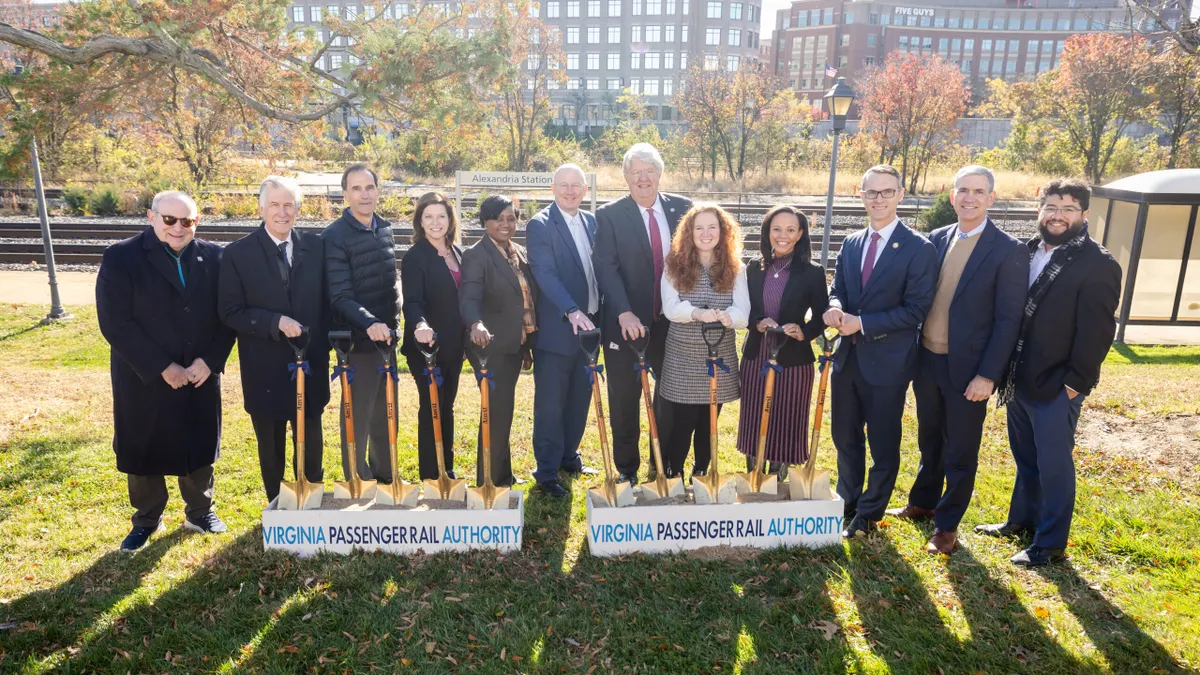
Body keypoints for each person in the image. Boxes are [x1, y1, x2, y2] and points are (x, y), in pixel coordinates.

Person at [885, 166, 1028, 555]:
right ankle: (923, 502)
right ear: (952, 196)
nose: (970, 197)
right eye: (963, 190)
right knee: (929, 437)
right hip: (928, 359)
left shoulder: (1009, 250)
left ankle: (947, 526)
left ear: (991, 198)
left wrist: (988, 375)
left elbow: (1008, 320)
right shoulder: (937, 238)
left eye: (978, 191)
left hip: (969, 369)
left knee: (961, 449)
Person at [977, 178, 1121, 567]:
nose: (1058, 216)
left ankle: (1050, 542)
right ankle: (1021, 521)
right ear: (1040, 210)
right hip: (1021, 378)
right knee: (1026, 458)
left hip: (1059, 384)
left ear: (1084, 214)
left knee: (1054, 464)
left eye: (1069, 209)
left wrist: (1076, 385)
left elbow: (1098, 332)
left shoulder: (1098, 264)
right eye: (1052, 207)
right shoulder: (1027, 252)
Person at [96, 190, 235, 552]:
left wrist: (211, 360)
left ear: (196, 222)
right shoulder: (121, 257)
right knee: (143, 444)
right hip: (143, 373)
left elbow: (228, 317)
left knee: (198, 441)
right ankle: (146, 519)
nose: (178, 227)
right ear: (151, 217)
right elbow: (115, 323)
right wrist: (161, 366)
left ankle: (200, 511)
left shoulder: (216, 258)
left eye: (186, 221)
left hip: (199, 371)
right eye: (169, 219)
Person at [824, 164, 938, 539]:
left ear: (900, 195)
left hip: (887, 362)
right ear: (861, 195)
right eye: (871, 192)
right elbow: (837, 287)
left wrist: (864, 323)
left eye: (887, 192)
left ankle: (870, 512)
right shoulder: (852, 242)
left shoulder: (919, 247)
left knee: (883, 440)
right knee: (845, 435)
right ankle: (848, 499)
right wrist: (836, 307)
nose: (879, 199)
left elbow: (916, 309)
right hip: (847, 358)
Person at [218, 176, 328, 502]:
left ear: (298, 208)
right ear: (261, 207)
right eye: (275, 205)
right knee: (272, 443)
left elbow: (329, 300)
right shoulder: (238, 254)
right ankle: (278, 506)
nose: (282, 212)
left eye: (288, 205)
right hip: (263, 366)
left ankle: (311, 502)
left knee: (310, 440)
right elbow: (230, 311)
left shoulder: (316, 246)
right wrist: (274, 322)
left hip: (310, 363)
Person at [592, 143, 693, 484]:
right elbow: (605, 268)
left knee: (671, 397)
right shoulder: (609, 215)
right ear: (625, 177)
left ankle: (662, 464)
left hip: (671, 325)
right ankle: (627, 469)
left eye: (649, 171)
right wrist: (623, 313)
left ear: (660, 174)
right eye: (636, 173)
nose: (643, 179)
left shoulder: (683, 210)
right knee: (624, 399)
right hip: (626, 325)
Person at [658, 204, 750, 477]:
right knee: (682, 421)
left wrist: (726, 316)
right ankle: (674, 472)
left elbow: (743, 314)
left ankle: (701, 472)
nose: (706, 233)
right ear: (689, 232)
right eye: (699, 228)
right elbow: (670, 308)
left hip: (718, 355)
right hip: (683, 356)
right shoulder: (674, 264)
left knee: (709, 421)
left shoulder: (736, 268)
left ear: (723, 232)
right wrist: (697, 312)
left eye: (712, 227)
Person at [526, 164, 601, 498]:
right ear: (553, 188)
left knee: (578, 399)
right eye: (564, 185)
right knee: (551, 404)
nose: (570, 191)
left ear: (585, 190)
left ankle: (569, 456)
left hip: (591, 331)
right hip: (559, 330)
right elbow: (545, 273)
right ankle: (545, 471)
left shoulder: (592, 222)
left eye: (576, 186)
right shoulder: (540, 225)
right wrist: (571, 310)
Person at [323, 164, 400, 484]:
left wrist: (394, 318)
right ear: (345, 195)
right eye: (356, 189)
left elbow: (388, 280)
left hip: (386, 339)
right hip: (357, 341)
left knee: (386, 413)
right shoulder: (335, 236)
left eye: (369, 187)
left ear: (377, 190)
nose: (364, 194)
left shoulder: (384, 228)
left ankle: (385, 475)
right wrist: (370, 324)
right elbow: (340, 295)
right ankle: (358, 479)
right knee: (359, 415)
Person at [735, 206, 828, 473]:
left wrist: (804, 332)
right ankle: (754, 472)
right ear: (767, 232)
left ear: (800, 234)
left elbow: (822, 315)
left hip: (793, 358)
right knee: (754, 416)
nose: (782, 235)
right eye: (776, 229)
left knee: (785, 417)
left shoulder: (812, 272)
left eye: (790, 230)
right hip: (757, 356)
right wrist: (757, 322)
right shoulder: (753, 268)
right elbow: (745, 308)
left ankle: (778, 474)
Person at [460, 195, 537, 487]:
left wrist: (526, 345)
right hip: (490, 347)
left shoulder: (517, 251)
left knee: (504, 411)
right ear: (485, 222)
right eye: (498, 218)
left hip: (515, 345)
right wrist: (475, 323)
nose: (506, 224)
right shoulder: (476, 255)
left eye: (511, 218)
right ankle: (488, 481)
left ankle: (502, 474)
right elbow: (469, 297)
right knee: (494, 412)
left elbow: (526, 300)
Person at [400, 192, 466, 481]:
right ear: (420, 221)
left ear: (450, 220)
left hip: (454, 346)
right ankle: (431, 474)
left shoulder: (458, 252)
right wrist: (420, 325)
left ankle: (446, 468)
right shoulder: (416, 256)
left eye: (441, 216)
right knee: (432, 409)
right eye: (428, 216)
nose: (435, 222)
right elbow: (412, 301)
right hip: (427, 347)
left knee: (446, 407)